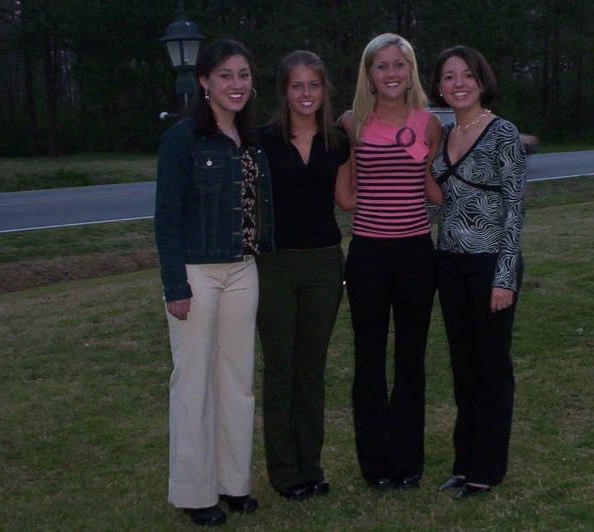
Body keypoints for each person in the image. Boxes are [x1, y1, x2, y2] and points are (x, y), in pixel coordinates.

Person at [154, 39, 273, 527]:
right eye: (225, 75)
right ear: (204, 81)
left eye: (243, 75)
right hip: (196, 273)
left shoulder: (250, 139)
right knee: (194, 383)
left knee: (237, 381)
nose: (236, 84)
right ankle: (195, 491)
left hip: (243, 269)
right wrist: (174, 286)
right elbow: (167, 218)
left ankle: (233, 484)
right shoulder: (183, 138)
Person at [341, 33, 441, 490]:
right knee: (369, 358)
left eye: (399, 64)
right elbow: (347, 196)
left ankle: (407, 462)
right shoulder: (351, 124)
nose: (391, 73)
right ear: (369, 74)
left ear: (411, 70)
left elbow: (433, 189)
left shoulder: (428, 124)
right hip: (368, 254)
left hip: (416, 253)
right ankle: (375, 464)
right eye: (381, 66)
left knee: (410, 358)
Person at [427, 45, 526, 499]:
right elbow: (440, 200)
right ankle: (464, 463)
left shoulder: (502, 132)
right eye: (449, 77)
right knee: (463, 369)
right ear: (439, 87)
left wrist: (504, 277)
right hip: (449, 262)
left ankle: (487, 468)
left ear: (482, 80)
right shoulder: (446, 132)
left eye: (467, 74)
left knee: (491, 368)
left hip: (490, 264)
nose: (459, 84)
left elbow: (515, 208)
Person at [256, 50, 354, 501]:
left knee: (311, 370)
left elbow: (347, 199)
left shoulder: (338, 141)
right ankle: (284, 471)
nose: (306, 94)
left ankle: (311, 465)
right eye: (297, 86)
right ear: (284, 91)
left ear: (324, 89)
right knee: (281, 368)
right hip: (275, 265)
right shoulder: (261, 141)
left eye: (313, 85)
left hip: (324, 265)